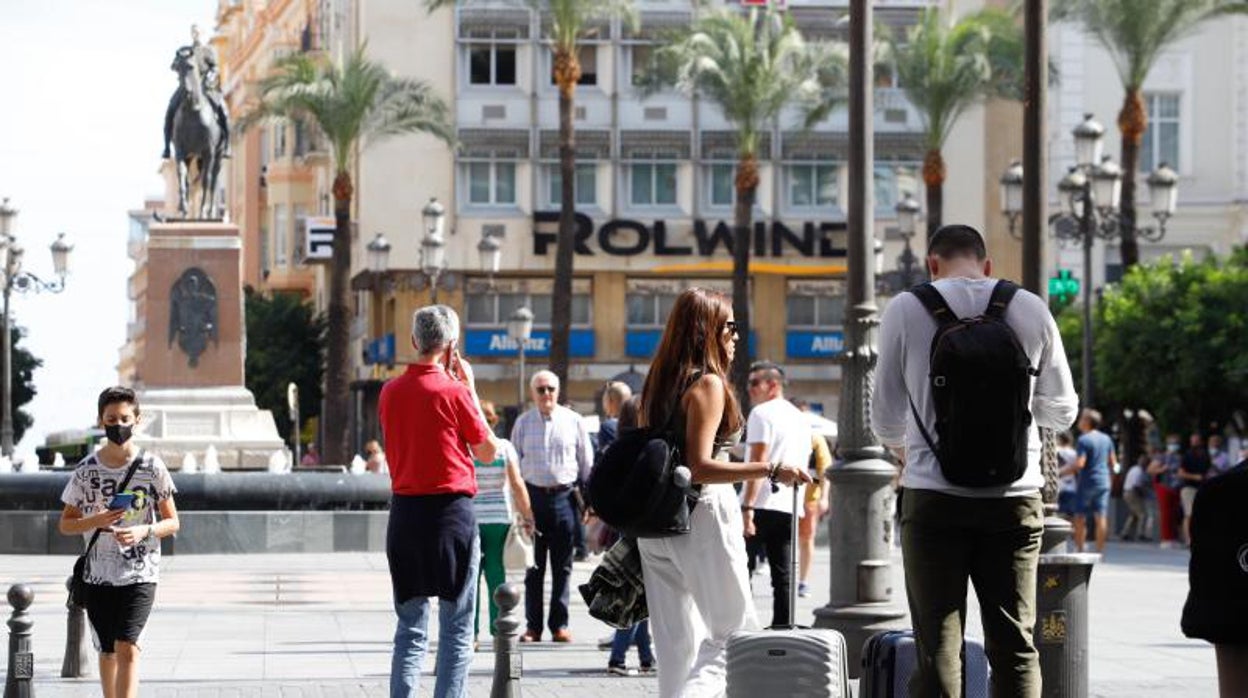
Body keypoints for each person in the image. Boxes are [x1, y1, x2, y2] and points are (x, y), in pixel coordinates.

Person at [873, 224, 1078, 698]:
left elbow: (884, 418)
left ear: (931, 264)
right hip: (1015, 499)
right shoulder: (1028, 307)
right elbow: (1063, 408)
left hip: (932, 498)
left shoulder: (906, 309)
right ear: (986, 266)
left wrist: (918, 452)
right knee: (1015, 642)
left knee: (938, 646)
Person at [636, 287, 811, 697]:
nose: (735, 335)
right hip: (702, 513)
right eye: (730, 326)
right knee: (733, 637)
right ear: (708, 330)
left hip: (656, 520)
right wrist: (772, 469)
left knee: (676, 644)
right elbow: (701, 465)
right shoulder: (708, 384)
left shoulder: (660, 381)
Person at [379, 305, 498, 698]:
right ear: (452, 346)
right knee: (456, 628)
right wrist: (472, 390)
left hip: (405, 515)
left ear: (414, 341)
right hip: (451, 517)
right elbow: (487, 451)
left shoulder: (390, 392)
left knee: (410, 628)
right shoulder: (455, 392)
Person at [59, 386, 180, 698]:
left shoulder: (153, 467)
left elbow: (173, 522)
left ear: (137, 420)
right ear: (101, 421)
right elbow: (66, 524)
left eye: (125, 418)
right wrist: (96, 521)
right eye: (111, 418)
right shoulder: (86, 471)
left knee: (128, 647)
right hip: (98, 574)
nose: (118, 425)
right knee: (108, 651)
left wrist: (144, 531)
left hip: (141, 572)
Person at [511, 370, 594, 643]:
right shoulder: (522, 423)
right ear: (533, 393)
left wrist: (588, 502)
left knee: (563, 566)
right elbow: (513, 466)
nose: (546, 394)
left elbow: (586, 464)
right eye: (541, 389)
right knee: (533, 568)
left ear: (558, 391)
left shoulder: (574, 421)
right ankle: (533, 627)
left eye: (551, 389)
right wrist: (519, 506)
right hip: (532, 500)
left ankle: (559, 625)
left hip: (564, 499)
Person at [740, 361, 812, 627]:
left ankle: (742, 626)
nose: (749, 389)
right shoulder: (801, 419)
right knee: (782, 573)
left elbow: (759, 461)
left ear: (773, 385)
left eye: (754, 383)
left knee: (741, 570)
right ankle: (783, 626)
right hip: (789, 503)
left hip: (760, 503)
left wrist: (747, 508)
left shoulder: (761, 413)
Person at [472, 400, 533, 648]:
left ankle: (471, 634)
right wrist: (528, 516)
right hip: (499, 519)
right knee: (497, 575)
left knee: (471, 577)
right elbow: (517, 484)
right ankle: (498, 631)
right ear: (495, 420)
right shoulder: (503, 447)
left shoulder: (467, 447)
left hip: (472, 519)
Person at [605, 394, 657, 677]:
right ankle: (617, 658)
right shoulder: (645, 449)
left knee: (639, 597)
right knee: (634, 599)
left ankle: (646, 657)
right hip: (642, 528)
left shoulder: (617, 448)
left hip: (624, 528)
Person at [163, 25, 231, 159]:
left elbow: (215, 68)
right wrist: (180, 64)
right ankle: (166, 147)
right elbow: (173, 66)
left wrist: (207, 80)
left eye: (198, 32)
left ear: (202, 34)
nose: (196, 34)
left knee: (223, 110)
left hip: (206, 87)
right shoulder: (184, 51)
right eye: (193, 32)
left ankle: (227, 145)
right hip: (186, 86)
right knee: (170, 109)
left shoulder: (208, 51)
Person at [1065, 409, 1117, 554]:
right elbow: (1113, 462)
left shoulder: (1083, 439)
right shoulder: (1106, 439)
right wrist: (1111, 479)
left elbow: (1080, 463)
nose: (1079, 421)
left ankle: (1080, 548)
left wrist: (1061, 472)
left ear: (1087, 422)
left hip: (1087, 481)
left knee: (1080, 516)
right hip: (1104, 481)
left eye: (1082, 418)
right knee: (1101, 516)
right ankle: (1100, 551)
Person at [798, 421, 832, 599]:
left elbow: (825, 471)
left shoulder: (816, 439)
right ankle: (789, 578)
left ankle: (803, 581)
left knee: (806, 539)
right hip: (785, 498)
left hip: (809, 499)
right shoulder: (788, 435)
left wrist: (824, 498)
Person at [1178, 433, 1213, 546]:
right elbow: (1181, 473)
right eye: (1193, 441)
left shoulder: (1205, 455)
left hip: (1202, 487)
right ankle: (1189, 539)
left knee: (1201, 513)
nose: (1195, 443)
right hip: (1188, 487)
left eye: (1197, 441)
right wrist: (1195, 477)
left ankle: (1199, 538)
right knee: (1189, 513)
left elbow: (1208, 470)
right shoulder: (1187, 455)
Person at [1153, 434, 1185, 547]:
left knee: (1175, 513)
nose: (1174, 445)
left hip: (1177, 487)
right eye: (1172, 443)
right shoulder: (1161, 457)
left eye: (1176, 443)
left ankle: (1174, 538)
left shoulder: (1180, 457)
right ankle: (1165, 539)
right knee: (1166, 513)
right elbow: (1151, 470)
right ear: (1167, 444)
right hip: (1164, 486)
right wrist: (1162, 469)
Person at [1119, 454, 1154, 541]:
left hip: (1127, 492)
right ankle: (1141, 534)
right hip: (1132, 493)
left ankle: (1125, 533)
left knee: (1134, 514)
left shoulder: (1134, 469)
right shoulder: (1139, 471)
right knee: (1142, 514)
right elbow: (1136, 486)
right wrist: (1144, 494)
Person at [1055, 431, 1079, 520]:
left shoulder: (1055, 450)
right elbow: (1077, 469)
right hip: (1070, 487)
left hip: (1056, 487)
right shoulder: (1074, 453)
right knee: (1070, 516)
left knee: (1057, 515)